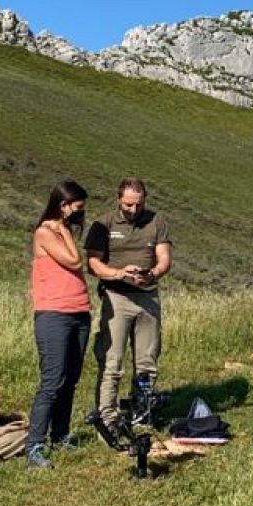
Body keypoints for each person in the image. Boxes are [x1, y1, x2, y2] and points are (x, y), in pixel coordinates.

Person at [84, 178, 173, 447]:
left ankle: (142, 414)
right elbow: (93, 264)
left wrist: (153, 273)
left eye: (138, 204)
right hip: (116, 296)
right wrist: (119, 274)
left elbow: (165, 257)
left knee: (147, 360)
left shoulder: (157, 221)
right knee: (112, 362)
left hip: (147, 297)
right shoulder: (105, 223)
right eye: (128, 204)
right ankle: (107, 418)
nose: (133, 210)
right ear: (118, 200)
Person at [25, 180, 92, 469]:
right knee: (52, 381)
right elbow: (75, 261)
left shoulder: (63, 231)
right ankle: (35, 446)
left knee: (70, 380)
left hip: (79, 312)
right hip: (54, 314)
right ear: (63, 206)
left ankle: (61, 434)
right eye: (77, 209)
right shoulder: (45, 232)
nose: (80, 215)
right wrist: (64, 229)